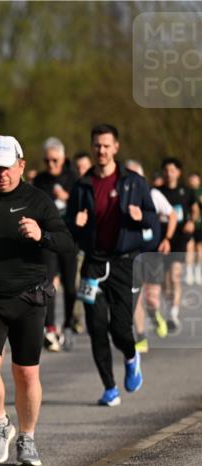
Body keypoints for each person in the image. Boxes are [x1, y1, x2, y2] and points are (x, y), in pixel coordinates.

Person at [0, 136, 74, 466]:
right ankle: (0, 423)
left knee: (26, 373)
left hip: (29, 297)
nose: (1, 174)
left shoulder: (37, 200)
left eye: (6, 168)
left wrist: (42, 235)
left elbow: (66, 242)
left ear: (20, 165)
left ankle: (27, 437)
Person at [66, 124, 156, 407]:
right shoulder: (82, 185)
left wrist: (141, 217)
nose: (101, 150)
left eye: (106, 145)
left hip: (123, 264)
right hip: (93, 264)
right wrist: (74, 224)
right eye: (96, 145)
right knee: (95, 327)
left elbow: (154, 224)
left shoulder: (133, 182)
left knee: (119, 328)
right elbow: (68, 227)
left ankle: (131, 357)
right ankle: (109, 387)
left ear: (116, 147)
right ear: (92, 147)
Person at [32, 137, 80, 351]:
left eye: (54, 160)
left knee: (70, 287)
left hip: (69, 239)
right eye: (46, 160)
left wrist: (67, 197)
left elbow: (84, 207)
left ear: (62, 158)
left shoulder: (74, 178)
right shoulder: (40, 180)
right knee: (48, 284)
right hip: (47, 240)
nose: (50, 165)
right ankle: (50, 328)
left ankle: (68, 325)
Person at [124, 159, 175, 352]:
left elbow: (172, 215)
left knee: (152, 298)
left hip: (152, 252)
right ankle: (141, 335)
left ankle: (154, 314)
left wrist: (167, 238)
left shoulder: (154, 194)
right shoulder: (123, 197)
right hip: (133, 253)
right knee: (135, 296)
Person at [156, 157, 199, 332]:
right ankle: (168, 308)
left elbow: (195, 209)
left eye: (172, 170)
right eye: (166, 170)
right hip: (162, 238)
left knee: (175, 275)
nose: (168, 173)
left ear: (178, 172)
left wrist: (192, 221)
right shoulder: (157, 192)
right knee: (166, 280)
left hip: (180, 237)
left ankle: (173, 312)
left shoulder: (186, 191)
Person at [188, 171, 202, 285]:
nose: (193, 181)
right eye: (191, 179)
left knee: (199, 249)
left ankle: (198, 271)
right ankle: (189, 272)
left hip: (200, 226)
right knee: (190, 248)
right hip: (188, 225)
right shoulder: (186, 192)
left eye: (195, 179)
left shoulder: (200, 192)